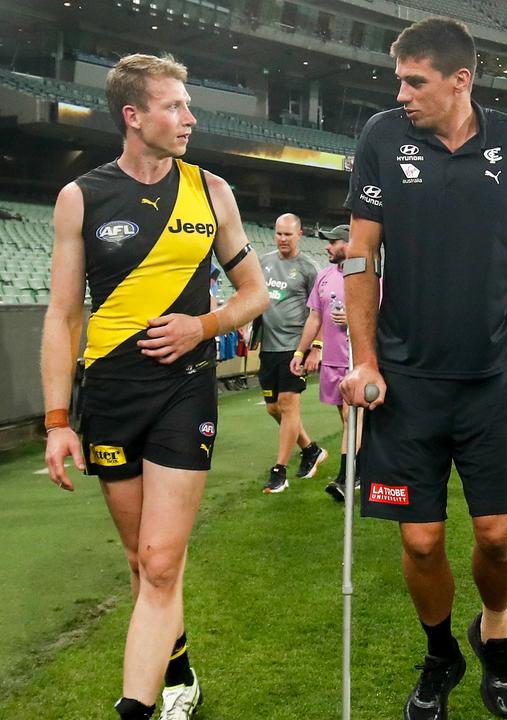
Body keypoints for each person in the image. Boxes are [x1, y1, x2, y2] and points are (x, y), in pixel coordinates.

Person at [338, 17, 507, 720]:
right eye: (399, 80)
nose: (401, 93)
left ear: (459, 80)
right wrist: (364, 361)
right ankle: (441, 649)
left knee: (498, 538)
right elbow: (359, 256)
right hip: (406, 382)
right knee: (420, 541)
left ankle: (495, 628)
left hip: (492, 378)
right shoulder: (383, 135)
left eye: (415, 81)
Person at [40, 52, 269, 720]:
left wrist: (203, 325)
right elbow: (62, 315)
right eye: (174, 105)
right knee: (143, 567)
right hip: (109, 398)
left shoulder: (212, 191)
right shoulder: (80, 197)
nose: (189, 118)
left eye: (188, 104)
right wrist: (58, 421)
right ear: (133, 115)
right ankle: (181, 674)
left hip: (184, 393)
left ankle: (137, 709)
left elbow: (253, 293)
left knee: (162, 562)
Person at [290, 224, 365, 501]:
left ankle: (346, 477)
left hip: (357, 361)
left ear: (348, 244)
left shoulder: (370, 277)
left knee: (350, 417)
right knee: (347, 419)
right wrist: (300, 351)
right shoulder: (323, 276)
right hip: (332, 362)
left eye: (333, 242)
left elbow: (384, 316)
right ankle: (361, 467)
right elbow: (314, 318)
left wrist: (355, 319)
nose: (327, 247)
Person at [258, 212, 326, 494]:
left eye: (288, 234)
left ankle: (279, 471)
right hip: (269, 347)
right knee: (275, 408)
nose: (282, 239)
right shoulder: (264, 263)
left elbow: (319, 312)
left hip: (294, 349)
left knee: (287, 404)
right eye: (278, 233)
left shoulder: (310, 268)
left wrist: (314, 349)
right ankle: (310, 449)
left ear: (300, 234)